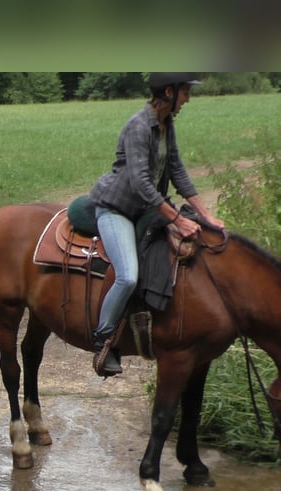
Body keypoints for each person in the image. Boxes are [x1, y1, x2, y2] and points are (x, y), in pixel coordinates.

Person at [88, 73, 225, 377]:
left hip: (147, 210)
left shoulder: (167, 125)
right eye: (186, 92)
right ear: (169, 91)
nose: (188, 98)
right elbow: (140, 185)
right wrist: (176, 218)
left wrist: (204, 216)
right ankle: (104, 339)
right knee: (127, 277)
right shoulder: (139, 127)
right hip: (117, 209)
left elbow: (177, 171)